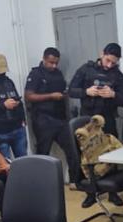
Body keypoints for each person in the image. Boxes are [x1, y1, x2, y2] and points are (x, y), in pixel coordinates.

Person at [25, 47, 82, 185]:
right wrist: (51, 96)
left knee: (73, 150)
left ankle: (75, 181)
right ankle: (41, 184)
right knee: (43, 154)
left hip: (60, 119)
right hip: (43, 119)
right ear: (44, 59)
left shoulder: (58, 73)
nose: (54, 65)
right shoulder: (36, 74)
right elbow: (29, 96)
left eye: (56, 63)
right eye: (51, 62)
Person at [69, 41, 123, 139]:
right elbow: (71, 91)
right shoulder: (86, 69)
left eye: (113, 63)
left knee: (112, 148)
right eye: (107, 60)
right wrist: (86, 92)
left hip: (108, 121)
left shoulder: (118, 75)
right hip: (88, 120)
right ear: (102, 54)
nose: (109, 65)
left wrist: (113, 94)